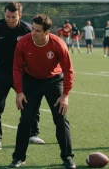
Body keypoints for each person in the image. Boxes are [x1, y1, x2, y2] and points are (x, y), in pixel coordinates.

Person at [9, 15, 76, 169]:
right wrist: (19, 91)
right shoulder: (23, 42)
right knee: (26, 119)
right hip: (31, 80)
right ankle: (18, 158)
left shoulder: (58, 44)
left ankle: (67, 158)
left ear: (47, 32)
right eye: (33, 28)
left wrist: (65, 95)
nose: (33, 32)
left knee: (61, 119)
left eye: (38, 30)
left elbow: (68, 71)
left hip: (53, 80)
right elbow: (17, 68)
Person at [0, 2, 45, 151]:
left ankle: (33, 133)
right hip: (2, 71)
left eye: (14, 17)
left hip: (22, 72)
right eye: (7, 16)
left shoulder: (27, 29)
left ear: (20, 15)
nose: (10, 19)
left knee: (30, 102)